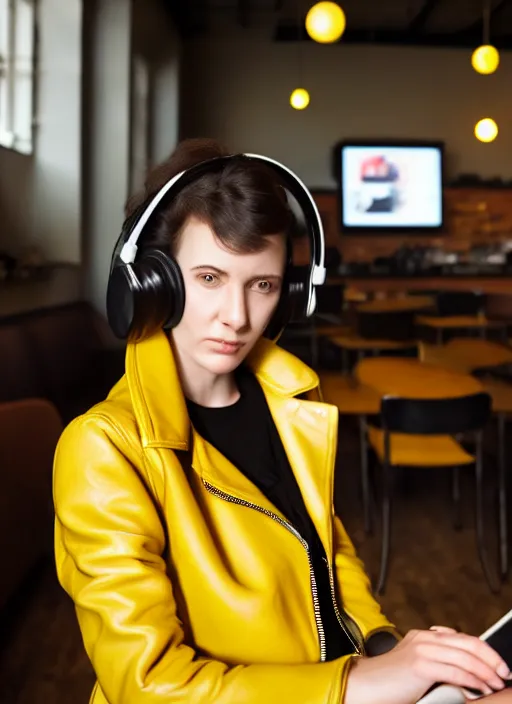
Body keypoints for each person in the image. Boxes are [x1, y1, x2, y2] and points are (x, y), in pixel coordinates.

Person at [53, 138, 511, 704]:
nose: (237, 317)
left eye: (262, 285)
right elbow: (147, 687)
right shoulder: (103, 448)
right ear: (152, 283)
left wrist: (386, 645)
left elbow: (329, 553)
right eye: (209, 279)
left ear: (290, 294)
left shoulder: (290, 400)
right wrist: (354, 686)